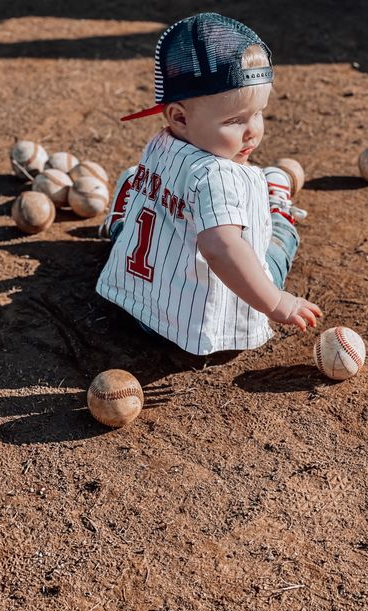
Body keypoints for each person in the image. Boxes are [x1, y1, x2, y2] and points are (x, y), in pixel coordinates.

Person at [96, 12, 322, 356]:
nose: (253, 131)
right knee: (279, 240)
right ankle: (276, 200)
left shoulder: (161, 144)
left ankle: (118, 221)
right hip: (195, 323)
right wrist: (277, 302)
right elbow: (221, 250)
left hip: (137, 301)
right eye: (235, 120)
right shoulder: (216, 176)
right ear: (180, 117)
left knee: (136, 186)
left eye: (258, 113)